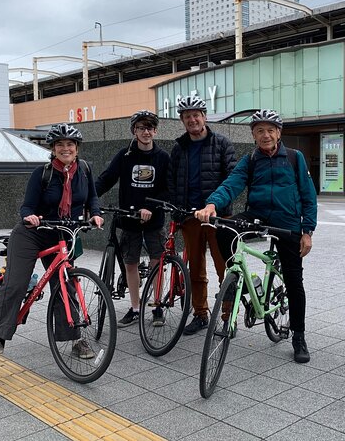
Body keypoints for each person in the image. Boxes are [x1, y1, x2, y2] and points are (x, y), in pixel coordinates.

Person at [195, 109, 317, 363]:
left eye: (270, 130)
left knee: (294, 282)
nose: (265, 135)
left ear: (279, 133)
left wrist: (307, 231)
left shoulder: (295, 158)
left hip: (288, 223)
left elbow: (308, 195)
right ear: (253, 134)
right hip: (258, 216)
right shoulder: (250, 160)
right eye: (259, 130)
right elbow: (232, 184)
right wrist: (212, 205)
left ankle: (299, 336)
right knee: (224, 229)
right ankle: (236, 277)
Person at [0, 123, 104, 356]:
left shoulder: (85, 171)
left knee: (65, 285)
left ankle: (75, 339)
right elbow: (27, 205)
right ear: (53, 148)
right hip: (32, 233)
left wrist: (96, 214)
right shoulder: (43, 173)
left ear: (77, 148)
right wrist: (29, 216)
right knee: (17, 282)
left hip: (62, 234)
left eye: (70, 144)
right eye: (60, 144)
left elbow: (92, 199)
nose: (65, 148)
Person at [168, 95, 236, 335]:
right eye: (187, 116)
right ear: (182, 121)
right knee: (196, 270)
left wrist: (216, 205)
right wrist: (177, 210)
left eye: (196, 115)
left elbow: (232, 178)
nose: (192, 119)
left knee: (225, 268)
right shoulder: (179, 149)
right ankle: (200, 314)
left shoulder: (222, 144)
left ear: (205, 117)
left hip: (218, 218)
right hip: (190, 218)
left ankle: (229, 316)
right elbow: (172, 182)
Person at [96, 110, 170, 328]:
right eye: (141, 128)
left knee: (157, 262)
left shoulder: (163, 157)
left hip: (154, 219)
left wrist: (151, 206)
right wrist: (89, 199)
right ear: (134, 131)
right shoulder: (125, 156)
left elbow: (168, 189)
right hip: (129, 218)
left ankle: (157, 307)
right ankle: (135, 308)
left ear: (155, 131)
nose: (145, 132)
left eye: (149, 128)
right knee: (131, 263)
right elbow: (107, 178)